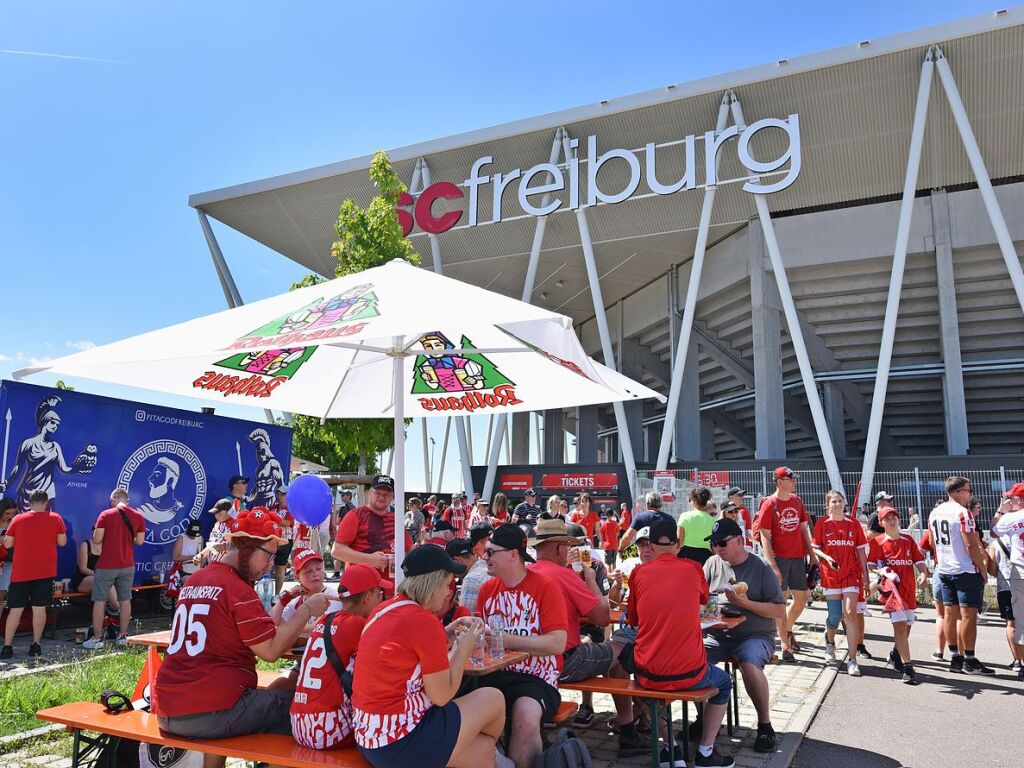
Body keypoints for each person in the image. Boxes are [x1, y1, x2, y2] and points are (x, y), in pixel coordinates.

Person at [154, 507, 330, 764]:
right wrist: (305, 610)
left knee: (260, 699)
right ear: (248, 548)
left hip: (168, 707)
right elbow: (270, 651)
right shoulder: (237, 588)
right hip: (211, 711)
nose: (270, 564)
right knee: (304, 706)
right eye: (268, 556)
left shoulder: (196, 580)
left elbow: (257, 633)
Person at [352, 545, 510, 768]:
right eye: (448, 585)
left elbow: (410, 651)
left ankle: (496, 758)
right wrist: (463, 647)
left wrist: (449, 631)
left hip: (370, 738)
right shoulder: (423, 621)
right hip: (402, 738)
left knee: (482, 750)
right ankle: (501, 758)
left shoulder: (384, 608)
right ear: (433, 583)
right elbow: (442, 696)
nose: (449, 593)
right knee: (493, 698)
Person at [526, 517, 643, 756]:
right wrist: (590, 580)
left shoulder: (525, 572)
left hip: (529, 662)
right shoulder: (563, 575)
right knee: (622, 647)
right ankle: (631, 729)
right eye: (569, 546)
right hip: (563, 661)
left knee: (609, 648)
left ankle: (631, 722)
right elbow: (601, 617)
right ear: (560, 548)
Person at [628, 520, 734, 768]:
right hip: (691, 672)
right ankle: (706, 752)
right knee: (724, 683)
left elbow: (633, 620)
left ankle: (671, 747)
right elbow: (705, 600)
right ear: (677, 544)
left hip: (649, 673)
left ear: (651, 546)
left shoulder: (638, 574)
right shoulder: (693, 569)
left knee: (639, 681)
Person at [476, 524, 568, 768]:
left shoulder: (546, 587)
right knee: (456, 711)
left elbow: (558, 643)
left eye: (491, 552)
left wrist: (505, 639)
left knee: (525, 717)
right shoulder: (487, 589)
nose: (484, 557)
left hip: (537, 679)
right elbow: (480, 640)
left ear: (513, 554)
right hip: (493, 675)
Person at [703, 518, 784, 754]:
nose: (717, 549)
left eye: (722, 544)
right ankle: (706, 721)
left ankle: (765, 725)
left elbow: (779, 609)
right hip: (718, 635)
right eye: (714, 544)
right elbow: (701, 600)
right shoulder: (711, 564)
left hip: (755, 634)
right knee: (692, 660)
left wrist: (745, 603)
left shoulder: (761, 568)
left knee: (749, 663)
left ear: (739, 540)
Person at [290, 564, 389, 750]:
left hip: (298, 723)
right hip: (327, 731)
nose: (381, 600)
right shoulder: (357, 625)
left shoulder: (326, 619)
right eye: (379, 595)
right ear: (368, 597)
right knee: (389, 732)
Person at [928, 476, 994, 674]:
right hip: (963, 569)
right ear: (959, 492)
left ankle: (955, 657)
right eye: (968, 491)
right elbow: (970, 544)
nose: (969, 494)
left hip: (945, 568)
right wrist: (982, 568)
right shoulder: (963, 513)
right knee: (968, 616)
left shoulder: (935, 512)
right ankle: (970, 659)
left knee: (949, 614)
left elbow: (932, 542)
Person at [753, 467, 816, 662]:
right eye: (791, 479)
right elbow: (764, 536)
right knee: (781, 602)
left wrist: (812, 554)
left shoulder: (797, 501)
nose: (794, 482)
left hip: (797, 557)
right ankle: (785, 647)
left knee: (802, 598)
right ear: (780, 482)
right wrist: (772, 565)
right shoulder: (770, 503)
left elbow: (803, 530)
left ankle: (787, 629)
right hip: (779, 558)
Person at [867, 505, 930, 685]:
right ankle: (908, 667)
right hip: (892, 592)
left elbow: (918, 560)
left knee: (907, 626)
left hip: (908, 589)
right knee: (901, 627)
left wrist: (924, 573)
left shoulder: (908, 540)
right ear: (881, 522)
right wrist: (882, 571)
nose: (892, 520)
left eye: (894, 517)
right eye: (887, 518)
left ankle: (896, 654)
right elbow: (871, 564)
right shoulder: (878, 542)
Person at [0, 490, 67, 659]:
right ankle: (36, 645)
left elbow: (7, 545)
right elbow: (62, 542)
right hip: (45, 572)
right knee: (39, 609)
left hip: (21, 572)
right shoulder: (56, 518)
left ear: (29, 503)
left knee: (15, 609)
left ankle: (7, 647)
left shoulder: (18, 519)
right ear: (46, 503)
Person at [811, 490, 869, 676]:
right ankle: (830, 642)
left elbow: (860, 551)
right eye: (834, 501)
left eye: (840, 501)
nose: (837, 504)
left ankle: (852, 660)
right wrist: (826, 557)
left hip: (851, 574)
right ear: (827, 505)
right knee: (835, 616)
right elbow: (815, 548)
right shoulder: (821, 523)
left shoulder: (853, 524)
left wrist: (866, 576)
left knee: (851, 614)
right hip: (831, 575)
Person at [83, 488, 145, 650]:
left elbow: (97, 540)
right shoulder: (138, 516)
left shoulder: (105, 515)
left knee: (99, 600)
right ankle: (123, 636)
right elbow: (139, 542)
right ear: (127, 500)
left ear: (114, 499)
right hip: (127, 564)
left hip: (106, 565)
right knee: (125, 600)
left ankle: (97, 639)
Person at [332, 474, 413, 593]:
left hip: (392, 590)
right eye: (377, 493)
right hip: (360, 591)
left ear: (392, 497)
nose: (381, 497)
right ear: (370, 493)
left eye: (386, 494)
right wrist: (369, 559)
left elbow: (409, 550)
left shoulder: (396, 519)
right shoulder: (355, 515)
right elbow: (337, 551)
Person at [990, 482, 1024, 679]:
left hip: (1019, 572)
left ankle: (1020, 662)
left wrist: (1000, 511)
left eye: (1011, 498)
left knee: (1018, 620)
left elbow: (993, 531)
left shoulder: (1011, 518)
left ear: (1018, 499)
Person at [273, 548, 342, 628]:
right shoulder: (296, 601)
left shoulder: (333, 597)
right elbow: (275, 623)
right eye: (308, 571)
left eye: (319, 569)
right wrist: (284, 598)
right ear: (297, 577)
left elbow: (321, 626)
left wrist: (289, 627)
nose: (315, 574)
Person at [458, 523, 492, 614]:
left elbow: (466, 618)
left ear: (486, 540)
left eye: (475, 543)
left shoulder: (472, 579)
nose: (473, 549)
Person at [678, 486, 716, 565]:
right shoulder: (713, 520)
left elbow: (679, 540)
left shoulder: (684, 516)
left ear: (694, 500)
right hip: (706, 555)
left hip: (686, 554)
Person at [268, 484, 294, 592]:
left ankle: (277, 594)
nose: (280, 496)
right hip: (271, 540)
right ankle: (266, 592)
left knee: (280, 567)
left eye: (283, 494)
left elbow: (287, 523)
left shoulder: (291, 508)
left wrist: (274, 517)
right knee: (266, 566)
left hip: (285, 540)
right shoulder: (273, 507)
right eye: (278, 494)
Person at [195, 499, 233, 566]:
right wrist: (201, 555)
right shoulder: (217, 525)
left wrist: (224, 547)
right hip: (212, 565)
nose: (216, 516)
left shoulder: (236, 525)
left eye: (219, 513)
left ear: (229, 512)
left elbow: (242, 546)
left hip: (227, 567)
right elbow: (211, 546)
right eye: (215, 513)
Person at [170, 519, 204, 587]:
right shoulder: (181, 537)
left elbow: (202, 555)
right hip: (183, 570)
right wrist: (192, 557)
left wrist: (201, 562)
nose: (193, 536)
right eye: (192, 533)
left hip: (197, 570)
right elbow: (175, 557)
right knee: (191, 583)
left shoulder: (200, 538)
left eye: (195, 534)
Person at [0, 498, 20, 606]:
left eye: (13, 513)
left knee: (1, 596)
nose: (10, 516)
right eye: (7, 513)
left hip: (7, 563)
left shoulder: (16, 523)